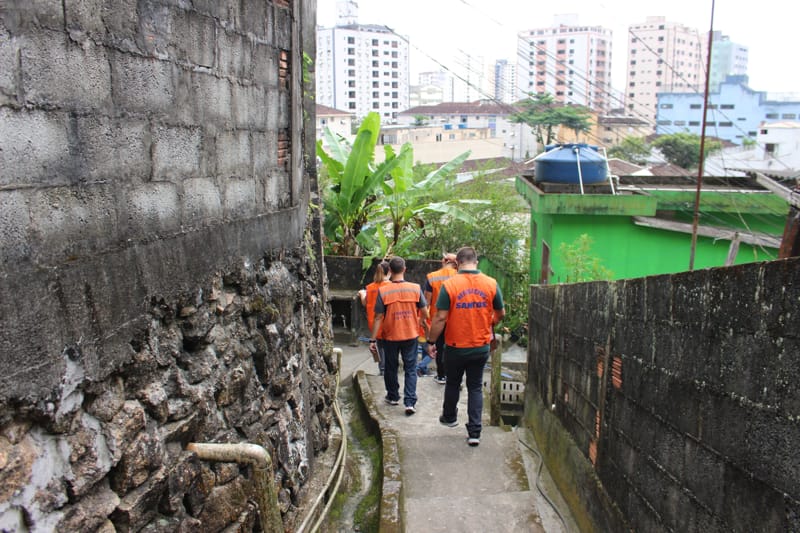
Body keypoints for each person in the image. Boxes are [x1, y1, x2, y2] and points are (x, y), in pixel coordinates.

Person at [426, 246, 505, 446]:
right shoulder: (491, 283)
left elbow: (440, 317)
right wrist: (489, 322)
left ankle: (449, 417)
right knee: (475, 386)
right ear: (476, 262)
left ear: (458, 263)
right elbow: (500, 313)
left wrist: (431, 341)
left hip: (455, 346)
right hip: (480, 345)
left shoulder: (450, 285)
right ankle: (475, 432)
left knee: (453, 382)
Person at [371, 256, 428, 416]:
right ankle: (410, 402)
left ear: (389, 270)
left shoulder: (383, 290)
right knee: (410, 368)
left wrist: (372, 339)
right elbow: (425, 312)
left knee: (391, 367)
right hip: (410, 334)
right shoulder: (415, 288)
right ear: (404, 269)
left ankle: (393, 396)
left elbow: (378, 317)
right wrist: (418, 322)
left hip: (390, 336)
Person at [423, 253, 458, 384]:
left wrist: (424, 320)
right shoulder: (461, 276)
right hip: (456, 319)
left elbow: (426, 302)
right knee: (454, 348)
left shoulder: (432, 277)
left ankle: (441, 375)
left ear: (445, 261)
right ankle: (454, 376)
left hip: (438, 319)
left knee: (438, 347)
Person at [359, 261, 391, 375]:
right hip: (387, 322)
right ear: (389, 272)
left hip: (374, 323)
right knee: (389, 348)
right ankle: (388, 369)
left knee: (379, 346)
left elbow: (364, 302)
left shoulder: (370, 287)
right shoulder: (391, 286)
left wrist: (362, 294)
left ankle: (382, 369)